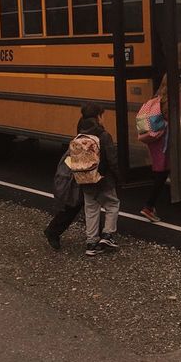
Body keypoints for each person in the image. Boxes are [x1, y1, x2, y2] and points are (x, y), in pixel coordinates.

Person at [77, 102, 121, 256]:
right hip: (104, 179)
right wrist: (118, 177)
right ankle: (108, 234)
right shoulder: (103, 135)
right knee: (112, 204)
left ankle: (91, 243)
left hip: (86, 179)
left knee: (91, 209)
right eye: (103, 116)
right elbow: (112, 160)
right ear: (98, 117)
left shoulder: (80, 134)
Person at [140, 79, 169, 223]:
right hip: (163, 141)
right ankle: (149, 206)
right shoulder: (170, 101)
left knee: (159, 171)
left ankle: (150, 206)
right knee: (161, 173)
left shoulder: (155, 99)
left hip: (154, 140)